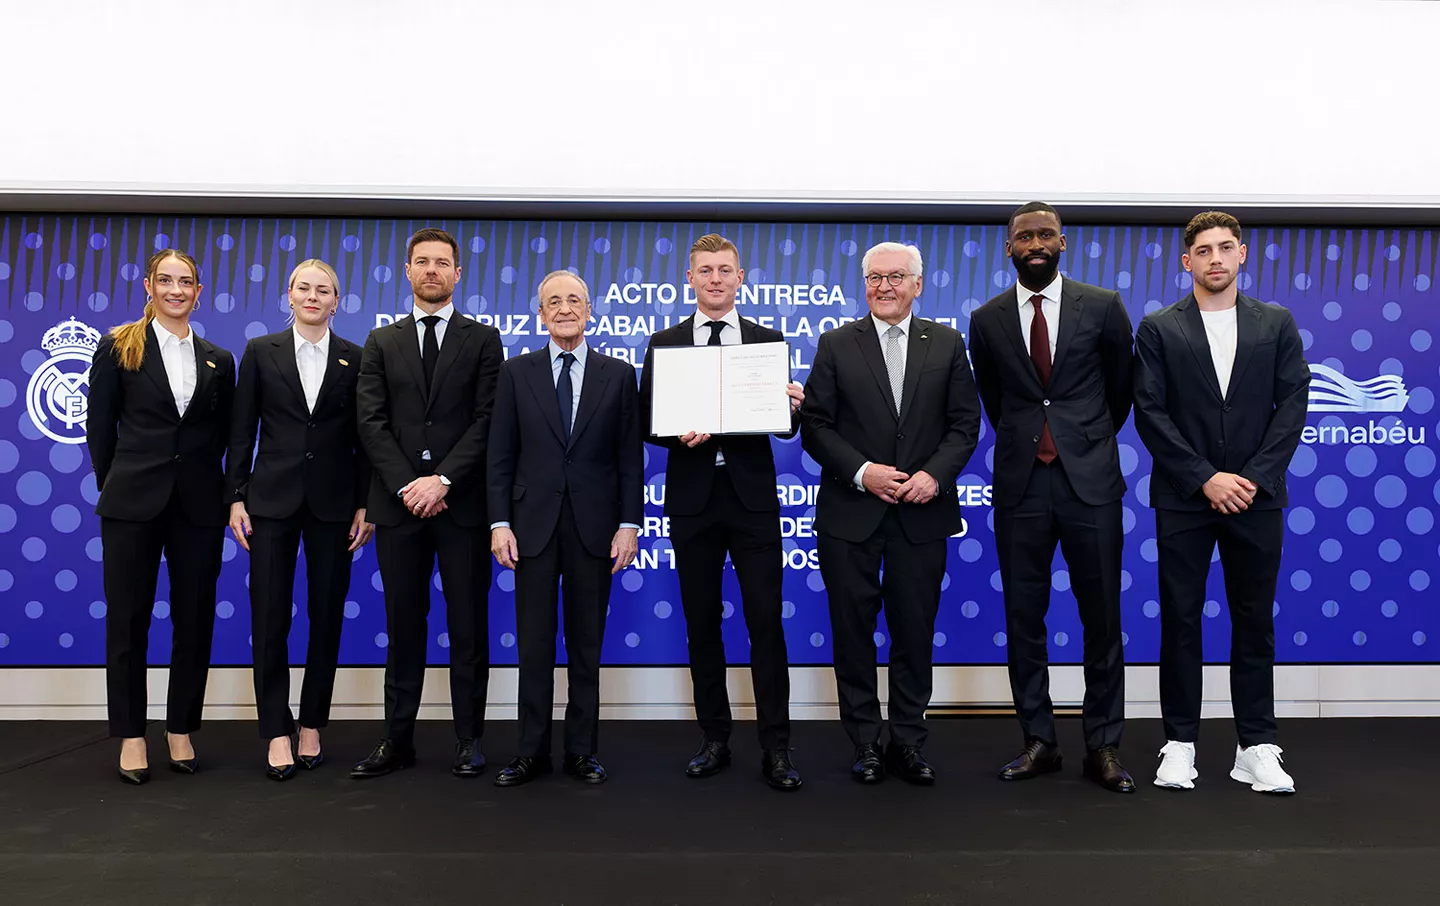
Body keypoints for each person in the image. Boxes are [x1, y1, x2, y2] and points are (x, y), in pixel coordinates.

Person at [1133, 211, 1310, 794]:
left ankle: (1255, 745)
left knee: (1253, 622)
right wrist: (1206, 477)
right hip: (1185, 498)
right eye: (1203, 250)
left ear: (1242, 256)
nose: (1215, 258)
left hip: (1257, 499)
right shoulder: (1159, 327)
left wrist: (1251, 479)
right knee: (1181, 621)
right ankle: (1179, 743)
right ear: (1187, 261)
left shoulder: (1276, 323)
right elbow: (1150, 413)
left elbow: (1292, 408)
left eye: (1225, 248)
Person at [967, 202, 1137, 794]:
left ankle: (1103, 746)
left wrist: (1078, 439)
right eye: (1023, 236)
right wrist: (1033, 439)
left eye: (1045, 234)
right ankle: (1039, 741)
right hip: (1020, 483)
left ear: (1063, 242)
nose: (1034, 243)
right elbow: (996, 398)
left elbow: (1120, 391)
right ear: (1008, 248)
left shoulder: (1104, 306)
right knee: (1023, 618)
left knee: (1103, 620)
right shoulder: (986, 319)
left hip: (1089, 481)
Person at [800, 241, 981, 785]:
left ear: (917, 285)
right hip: (851, 515)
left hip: (922, 514)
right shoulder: (835, 344)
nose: (884, 286)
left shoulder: (947, 344)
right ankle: (864, 743)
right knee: (852, 634)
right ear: (865, 284)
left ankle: (908, 740)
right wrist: (863, 472)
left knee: (914, 633)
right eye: (875, 277)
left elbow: (964, 424)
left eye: (896, 277)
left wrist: (934, 475)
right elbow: (816, 427)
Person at [639, 233, 805, 791]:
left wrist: (792, 408)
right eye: (705, 270)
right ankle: (714, 739)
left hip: (752, 502)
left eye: (724, 269)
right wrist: (674, 432)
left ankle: (776, 748)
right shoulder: (663, 343)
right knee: (701, 625)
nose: (714, 278)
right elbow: (646, 421)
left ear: (741, 278)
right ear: (690, 279)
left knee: (765, 626)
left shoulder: (767, 342)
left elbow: (782, 424)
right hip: (691, 504)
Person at [351, 228, 503, 779]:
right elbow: (369, 423)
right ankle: (398, 740)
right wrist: (408, 486)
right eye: (423, 262)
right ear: (407, 272)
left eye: (443, 263)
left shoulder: (484, 340)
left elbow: (488, 421)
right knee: (404, 626)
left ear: (458, 274)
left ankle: (469, 739)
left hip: (461, 508)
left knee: (468, 627)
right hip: (399, 508)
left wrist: (441, 480)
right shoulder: (380, 342)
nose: (433, 270)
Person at [487, 270, 642, 786]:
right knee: (533, 647)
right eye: (553, 301)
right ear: (540, 314)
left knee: (586, 646)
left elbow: (628, 458)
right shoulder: (515, 373)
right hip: (530, 527)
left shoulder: (618, 375)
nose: (564, 308)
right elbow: (500, 455)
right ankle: (530, 752)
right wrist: (499, 522)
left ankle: (582, 750)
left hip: (595, 529)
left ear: (590, 310)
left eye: (574, 300)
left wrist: (628, 524)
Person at [86, 248, 235, 785]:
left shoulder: (219, 358)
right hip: (131, 504)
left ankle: (180, 729)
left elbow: (223, 437)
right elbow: (99, 430)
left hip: (198, 505)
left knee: (194, 621)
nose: (176, 289)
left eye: (186, 281)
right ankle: (130, 735)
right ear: (148, 285)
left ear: (199, 291)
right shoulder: (118, 346)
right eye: (166, 280)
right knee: (128, 620)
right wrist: (118, 485)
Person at [226, 258, 373, 781]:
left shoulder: (357, 359)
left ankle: (312, 723)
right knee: (269, 619)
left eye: (324, 290)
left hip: (335, 506)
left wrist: (366, 503)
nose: (313, 296)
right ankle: (275, 730)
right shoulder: (260, 352)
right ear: (289, 295)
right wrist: (236, 495)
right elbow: (242, 430)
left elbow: (365, 440)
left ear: (338, 301)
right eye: (304, 288)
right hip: (269, 502)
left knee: (326, 617)